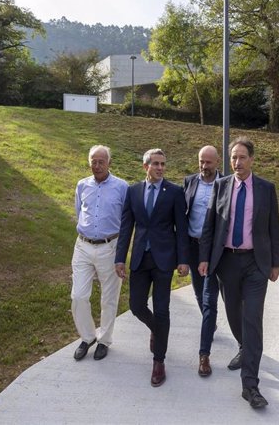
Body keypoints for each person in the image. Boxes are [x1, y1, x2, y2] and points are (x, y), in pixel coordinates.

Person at [199, 136, 279, 409]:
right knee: (234, 314)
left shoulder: (266, 189)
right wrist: (204, 258)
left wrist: (274, 263)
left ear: (252, 159)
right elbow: (210, 224)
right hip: (227, 263)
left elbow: (274, 228)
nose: (237, 162)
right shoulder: (221, 186)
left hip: (256, 264)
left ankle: (250, 386)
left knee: (252, 320)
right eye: (233, 157)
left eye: (242, 157)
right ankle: (244, 348)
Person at [115, 148, 189, 387]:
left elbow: (181, 228)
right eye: (155, 164)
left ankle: (159, 361)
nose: (160, 168)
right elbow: (127, 226)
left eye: (163, 164)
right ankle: (157, 331)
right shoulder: (133, 191)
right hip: (139, 258)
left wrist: (183, 259)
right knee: (136, 306)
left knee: (162, 309)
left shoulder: (175, 192)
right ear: (145, 166)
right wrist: (119, 258)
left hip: (164, 259)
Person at [71, 145, 129, 361]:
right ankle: (88, 337)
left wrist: (122, 253)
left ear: (109, 163)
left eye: (101, 162)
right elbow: (79, 212)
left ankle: (104, 340)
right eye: (93, 161)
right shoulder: (82, 185)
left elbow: (127, 220)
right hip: (83, 246)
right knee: (78, 295)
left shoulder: (122, 187)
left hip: (110, 246)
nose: (96, 166)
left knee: (109, 298)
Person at [183, 145, 222, 377]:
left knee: (210, 300)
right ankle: (211, 324)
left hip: (214, 252)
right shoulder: (189, 182)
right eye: (201, 161)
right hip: (192, 247)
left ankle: (204, 355)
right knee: (199, 294)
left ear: (217, 162)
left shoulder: (226, 184)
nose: (204, 166)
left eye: (208, 162)